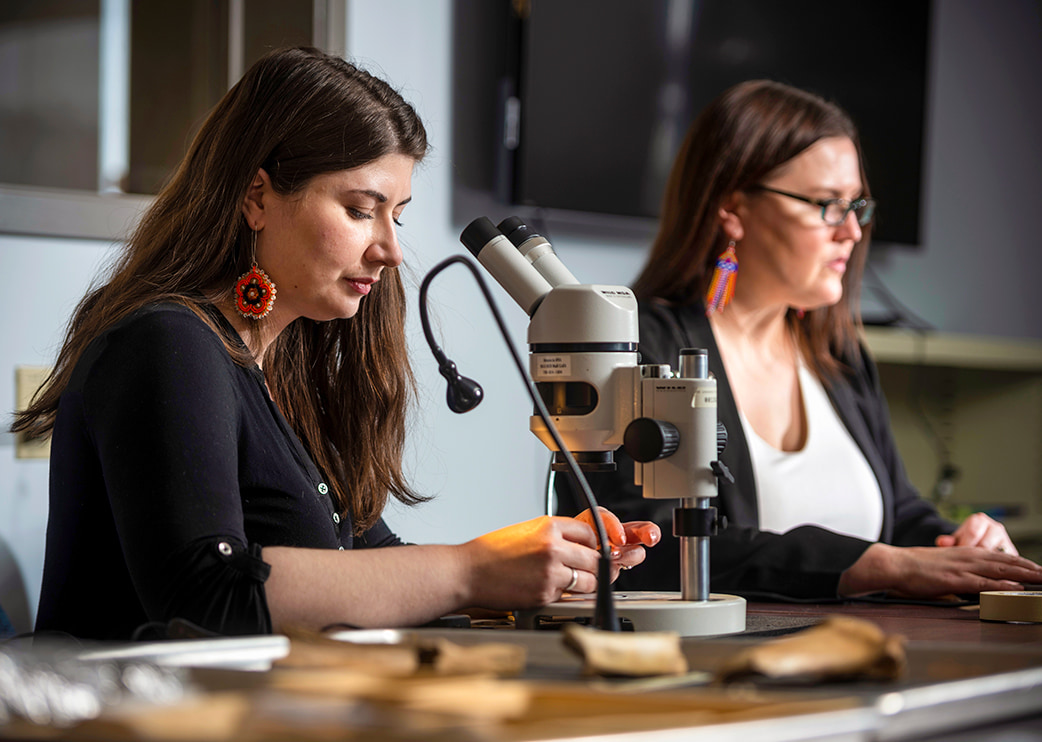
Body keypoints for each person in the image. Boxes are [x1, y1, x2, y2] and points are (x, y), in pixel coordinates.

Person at [12, 47, 659, 641]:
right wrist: (472, 571)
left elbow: (365, 563)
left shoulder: (280, 369)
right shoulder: (165, 346)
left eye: (396, 214)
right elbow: (207, 592)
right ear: (257, 196)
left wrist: (529, 564)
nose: (390, 249)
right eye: (359, 209)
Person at [559, 80, 1042, 600]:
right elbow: (645, 547)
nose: (852, 232)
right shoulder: (638, 351)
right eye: (827, 204)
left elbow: (900, 513)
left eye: (856, 206)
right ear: (733, 207)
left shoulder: (838, 354)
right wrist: (876, 566)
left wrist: (956, 543)